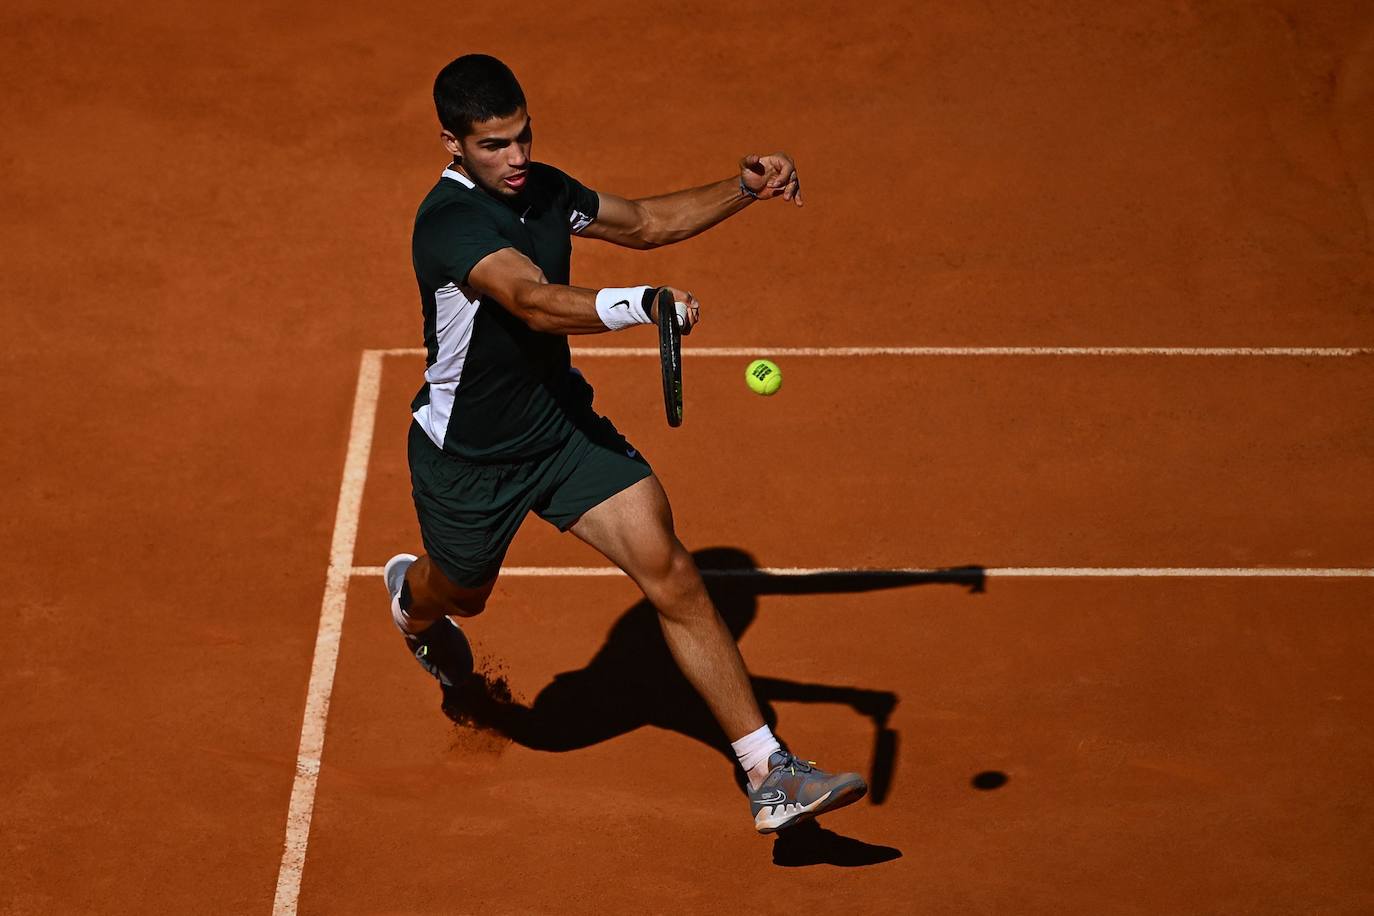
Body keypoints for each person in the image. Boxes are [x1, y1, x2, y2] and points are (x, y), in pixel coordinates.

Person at [385, 52, 866, 835]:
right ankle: (412, 606)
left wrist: (744, 189)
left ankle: (768, 771)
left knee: (671, 570)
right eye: (494, 146)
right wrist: (638, 305)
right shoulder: (450, 223)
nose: (517, 159)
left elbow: (643, 223)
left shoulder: (542, 188)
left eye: (523, 137)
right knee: (462, 592)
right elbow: (532, 301)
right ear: (453, 144)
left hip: (560, 431)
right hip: (467, 457)